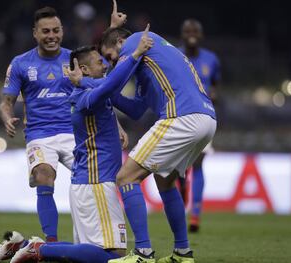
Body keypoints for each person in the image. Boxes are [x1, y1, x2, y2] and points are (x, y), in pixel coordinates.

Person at [0, 28, 153, 263]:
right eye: (99, 62)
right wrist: (135, 54)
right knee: (112, 256)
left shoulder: (92, 89)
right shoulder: (84, 96)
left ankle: (22, 246)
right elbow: (111, 83)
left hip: (91, 183)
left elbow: (135, 109)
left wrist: (144, 78)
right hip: (96, 183)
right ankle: (38, 250)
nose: (105, 65)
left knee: (91, 252)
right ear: (83, 70)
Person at [98, 16, 216, 263]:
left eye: (110, 57)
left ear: (120, 41)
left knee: (125, 177)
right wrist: (107, 94)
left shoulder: (135, 42)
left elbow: (112, 82)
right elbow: (137, 110)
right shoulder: (146, 67)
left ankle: (143, 253)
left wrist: (94, 84)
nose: (112, 62)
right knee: (164, 180)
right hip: (207, 119)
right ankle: (183, 253)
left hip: (182, 116)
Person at [178, 18, 221, 232]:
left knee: (199, 163)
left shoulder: (211, 59)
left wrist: (213, 95)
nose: (191, 34)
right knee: (179, 167)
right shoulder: (176, 56)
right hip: (178, 116)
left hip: (204, 116)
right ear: (182, 35)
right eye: (187, 31)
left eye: (195, 30)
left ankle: (195, 214)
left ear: (201, 35)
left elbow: (215, 86)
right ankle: (182, 184)